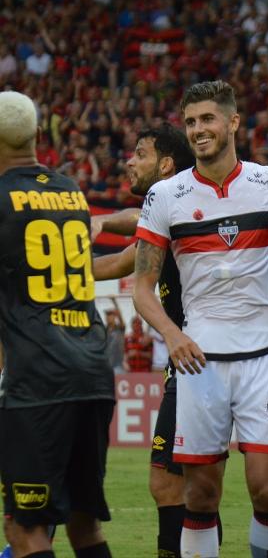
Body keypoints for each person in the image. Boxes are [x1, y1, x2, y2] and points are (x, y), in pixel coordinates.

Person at [132, 80, 268, 557]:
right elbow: (142, 289)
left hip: (264, 355)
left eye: (207, 119)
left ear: (232, 122)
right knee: (202, 494)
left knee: (266, 490)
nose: (198, 130)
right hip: (199, 361)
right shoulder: (166, 195)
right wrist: (172, 334)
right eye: (190, 122)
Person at [0, 91, 115, 558]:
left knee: (25, 530)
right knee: (84, 525)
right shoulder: (70, 190)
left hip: (38, 382)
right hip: (92, 371)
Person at [92, 123, 205, 557]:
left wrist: (96, 221)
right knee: (184, 486)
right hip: (189, 359)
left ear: (166, 164)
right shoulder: (168, 212)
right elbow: (125, 259)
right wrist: (57, 267)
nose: (129, 161)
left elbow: (128, 238)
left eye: (139, 153)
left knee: (174, 484)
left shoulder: (181, 201)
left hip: (200, 354)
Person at [104, 298, 126, 374]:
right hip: (106, 365)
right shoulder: (104, 330)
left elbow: (121, 318)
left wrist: (115, 302)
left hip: (118, 366)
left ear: (114, 316)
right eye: (107, 315)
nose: (108, 317)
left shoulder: (120, 329)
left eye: (110, 315)